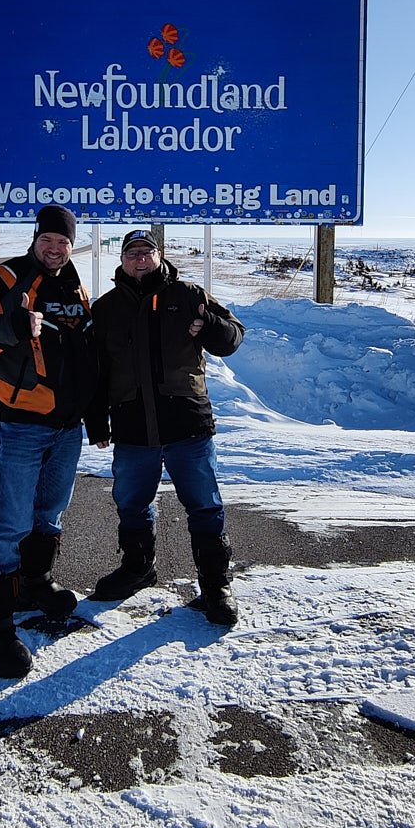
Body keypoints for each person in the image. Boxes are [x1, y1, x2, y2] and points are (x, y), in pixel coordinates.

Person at [0, 207, 97, 679]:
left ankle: (34, 583)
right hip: (21, 421)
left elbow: (84, 354)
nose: (55, 249)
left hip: (67, 425)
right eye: (48, 240)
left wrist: (92, 413)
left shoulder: (75, 286)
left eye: (64, 242)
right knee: (11, 519)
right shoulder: (4, 279)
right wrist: (14, 326)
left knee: (49, 511)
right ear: (35, 239)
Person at [85, 229, 244, 625]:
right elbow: (95, 370)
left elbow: (232, 337)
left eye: (147, 251)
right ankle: (138, 568)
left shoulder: (188, 295)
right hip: (132, 425)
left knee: (204, 505)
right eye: (132, 253)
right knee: (131, 502)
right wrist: (96, 420)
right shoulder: (106, 309)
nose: (140, 258)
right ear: (122, 260)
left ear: (159, 256)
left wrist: (208, 325)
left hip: (186, 421)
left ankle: (216, 585)